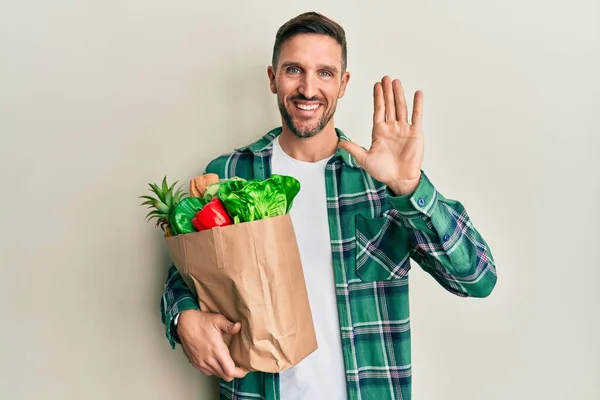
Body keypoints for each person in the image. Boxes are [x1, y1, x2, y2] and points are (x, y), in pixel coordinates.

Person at [160, 11, 497, 400]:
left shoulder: (381, 180)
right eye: (293, 70)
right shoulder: (230, 174)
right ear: (272, 78)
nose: (308, 88)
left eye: (324, 73)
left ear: (343, 83)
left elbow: (477, 279)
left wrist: (411, 187)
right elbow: (188, 274)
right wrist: (183, 316)